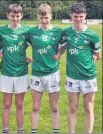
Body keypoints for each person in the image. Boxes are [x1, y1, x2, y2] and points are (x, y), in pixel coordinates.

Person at [55, 3, 101, 133]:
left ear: (85, 15)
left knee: (88, 108)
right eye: (76, 16)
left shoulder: (92, 35)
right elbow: (63, 46)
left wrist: (95, 57)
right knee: (73, 108)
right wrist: (59, 53)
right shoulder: (67, 32)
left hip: (88, 76)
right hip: (72, 76)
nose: (78, 19)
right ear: (71, 16)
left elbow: (98, 54)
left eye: (81, 16)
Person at [27, 4, 62, 133]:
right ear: (38, 17)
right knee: (35, 107)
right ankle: (33, 131)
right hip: (37, 73)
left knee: (54, 107)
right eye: (41, 17)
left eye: (46, 17)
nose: (44, 21)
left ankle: (56, 131)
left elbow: (65, 45)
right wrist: (23, 57)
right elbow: (21, 45)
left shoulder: (58, 31)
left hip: (53, 73)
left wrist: (60, 53)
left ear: (51, 16)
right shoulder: (31, 32)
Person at [0, 3, 31, 133]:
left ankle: (20, 130)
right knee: (6, 104)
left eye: (17, 16)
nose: (15, 19)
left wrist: (25, 57)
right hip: (6, 72)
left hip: (21, 72)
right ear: (7, 15)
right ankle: (5, 130)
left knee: (19, 104)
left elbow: (33, 44)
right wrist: (0, 51)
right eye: (12, 16)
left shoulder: (26, 31)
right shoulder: (1, 30)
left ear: (21, 15)